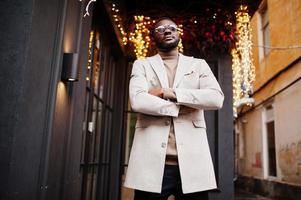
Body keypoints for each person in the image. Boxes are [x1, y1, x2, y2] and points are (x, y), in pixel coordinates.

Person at [124, 17, 224, 200]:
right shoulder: (142, 65)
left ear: (178, 34)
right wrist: (180, 108)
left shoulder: (198, 65)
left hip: (193, 164)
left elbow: (216, 99)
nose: (167, 31)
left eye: (172, 28)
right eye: (160, 29)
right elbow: (137, 100)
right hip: (150, 164)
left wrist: (168, 93)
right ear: (154, 37)